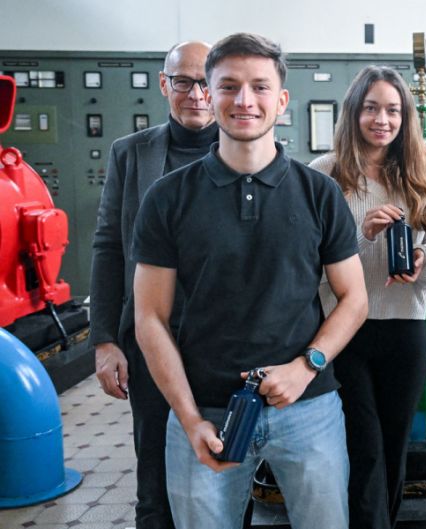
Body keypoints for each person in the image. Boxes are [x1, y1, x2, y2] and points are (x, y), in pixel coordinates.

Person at [132, 33, 368, 529]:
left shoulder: (320, 194)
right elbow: (150, 317)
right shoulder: (167, 198)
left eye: (260, 87)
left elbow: (354, 299)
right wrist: (189, 416)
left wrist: (307, 366)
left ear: (281, 101)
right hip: (205, 409)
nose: (244, 100)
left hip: (309, 408)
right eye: (229, 86)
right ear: (210, 94)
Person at [308, 65, 426, 529]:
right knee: (363, 450)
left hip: (405, 328)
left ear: (405, 117)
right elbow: (307, 258)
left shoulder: (416, 172)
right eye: (371, 108)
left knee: (393, 449)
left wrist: (418, 262)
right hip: (344, 331)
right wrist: (358, 234)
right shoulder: (323, 175)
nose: (382, 120)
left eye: (392, 110)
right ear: (353, 113)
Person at [90, 40, 217, 529]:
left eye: (206, 81)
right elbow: (107, 248)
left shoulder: (248, 151)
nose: (196, 93)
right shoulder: (131, 154)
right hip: (149, 339)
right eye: (183, 81)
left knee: (226, 470)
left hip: (224, 343)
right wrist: (104, 340)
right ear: (164, 85)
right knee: (154, 478)